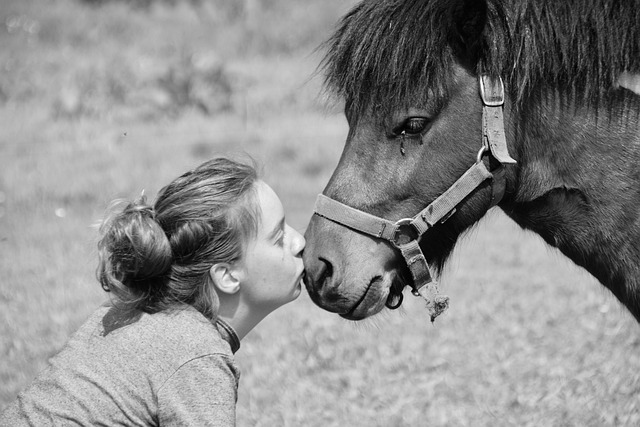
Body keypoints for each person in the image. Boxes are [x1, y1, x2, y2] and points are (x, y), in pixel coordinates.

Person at [0, 157, 306, 426]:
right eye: (278, 238)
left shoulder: (127, 315)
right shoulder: (195, 355)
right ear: (226, 275)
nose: (299, 242)